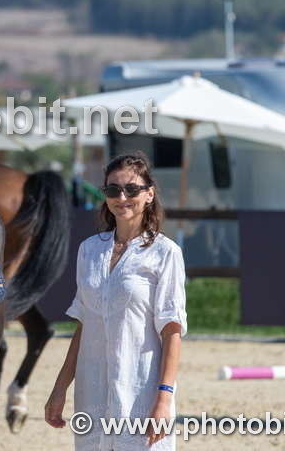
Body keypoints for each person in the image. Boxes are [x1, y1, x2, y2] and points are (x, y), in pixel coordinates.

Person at [45, 152, 187, 450]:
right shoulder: (89, 250)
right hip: (92, 391)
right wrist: (60, 388)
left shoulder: (166, 253)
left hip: (141, 390)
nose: (122, 197)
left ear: (149, 194)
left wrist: (164, 398)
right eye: (113, 189)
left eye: (131, 189)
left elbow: (172, 331)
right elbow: (85, 324)